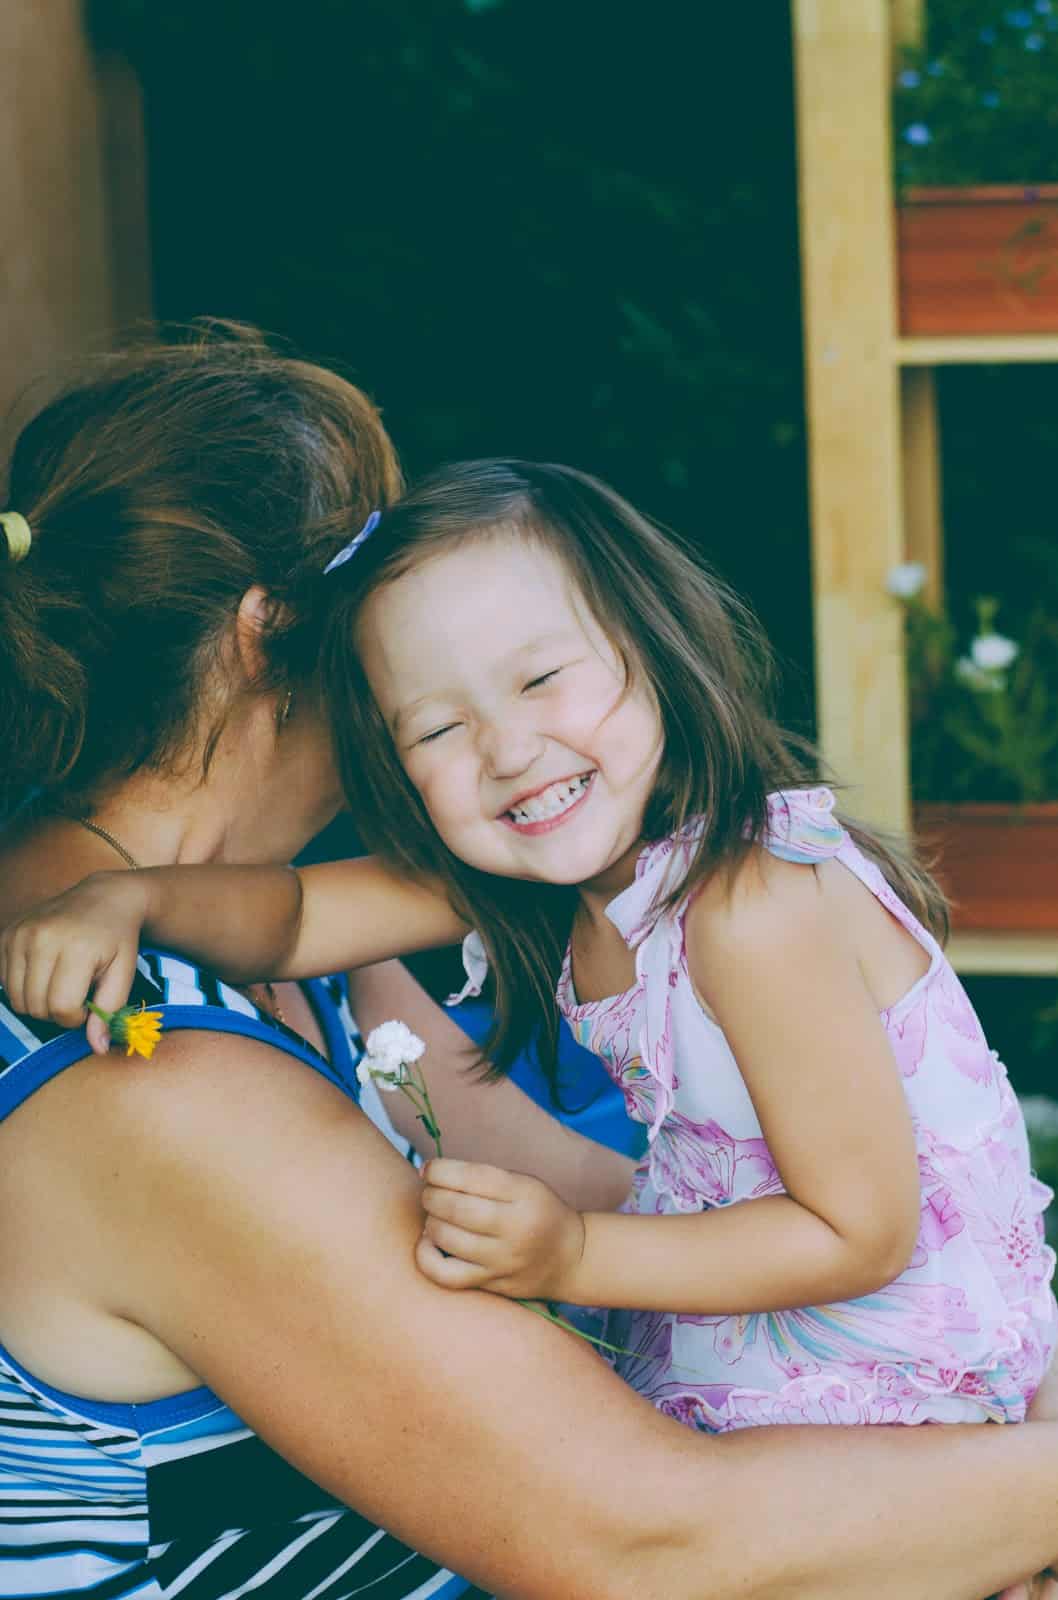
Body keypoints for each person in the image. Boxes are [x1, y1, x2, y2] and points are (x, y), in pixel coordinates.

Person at [3, 335, 1058, 1600]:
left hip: (854, 1370)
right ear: (268, 641)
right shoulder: (129, 1051)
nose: (502, 744)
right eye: (426, 701)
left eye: (538, 671)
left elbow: (605, 1173)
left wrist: (963, 1477)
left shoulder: (374, 947)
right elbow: (638, 1541)